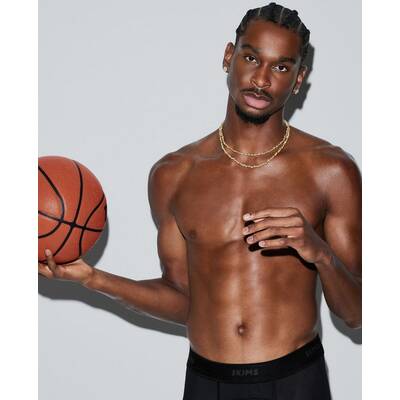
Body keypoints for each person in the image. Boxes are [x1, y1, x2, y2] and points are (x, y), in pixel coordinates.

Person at [38, 3, 361, 399]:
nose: (261, 80)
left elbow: (356, 313)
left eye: (281, 67)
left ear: (298, 79)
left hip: (294, 381)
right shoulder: (174, 174)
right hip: (207, 383)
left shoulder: (330, 171)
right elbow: (181, 300)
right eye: (251, 58)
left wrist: (319, 253)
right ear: (228, 57)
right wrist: (92, 279)